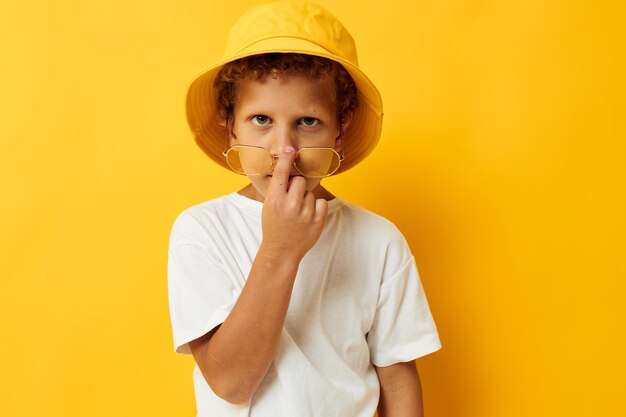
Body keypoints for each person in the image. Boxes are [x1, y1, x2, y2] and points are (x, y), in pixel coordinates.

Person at [168, 1, 442, 416]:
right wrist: (280, 250)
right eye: (261, 119)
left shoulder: (379, 240)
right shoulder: (201, 231)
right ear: (231, 126)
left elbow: (398, 378)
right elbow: (229, 381)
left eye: (308, 122)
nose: (284, 150)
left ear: (341, 128)